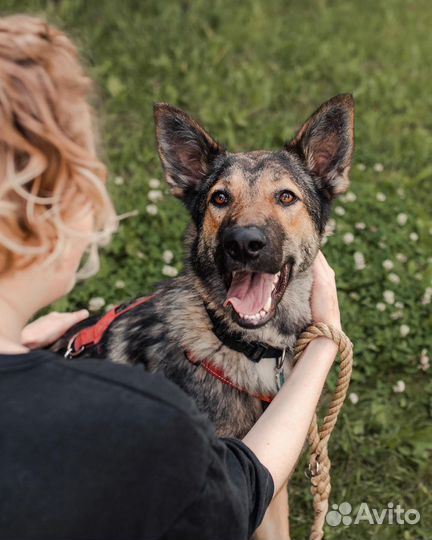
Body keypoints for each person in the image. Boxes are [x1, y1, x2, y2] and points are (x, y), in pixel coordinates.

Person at [0, 15, 341, 540]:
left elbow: (266, 480)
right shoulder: (165, 409)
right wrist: (325, 346)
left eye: (286, 197)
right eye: (221, 199)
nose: (247, 231)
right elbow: (233, 496)